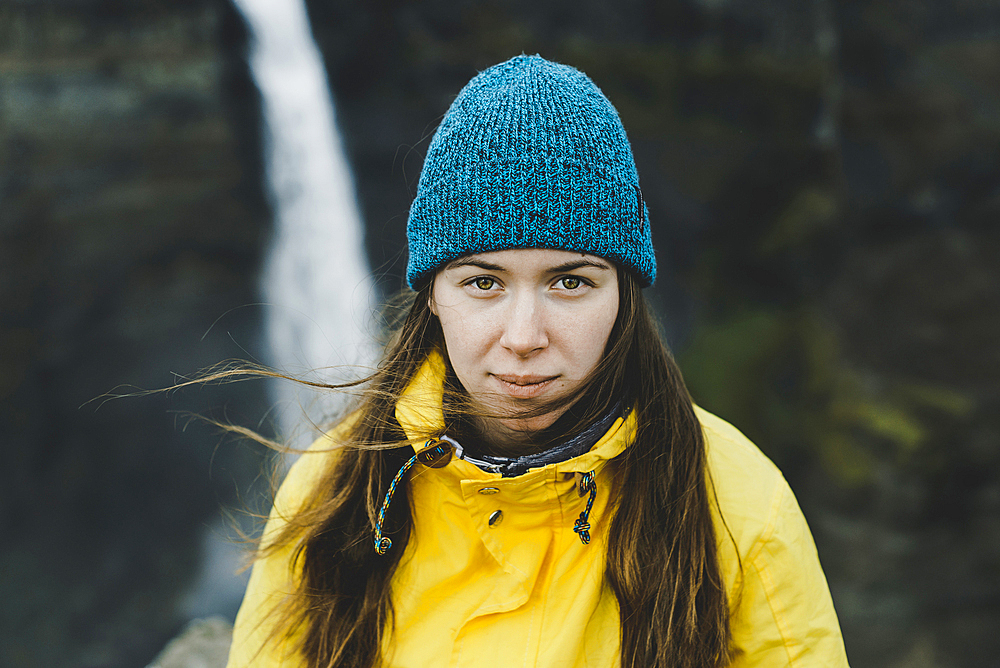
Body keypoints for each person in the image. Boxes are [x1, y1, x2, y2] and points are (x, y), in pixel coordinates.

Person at [226, 55, 850, 668]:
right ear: (434, 296)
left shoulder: (738, 503)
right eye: (483, 283)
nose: (523, 337)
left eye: (570, 283)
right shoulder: (334, 488)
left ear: (623, 297)